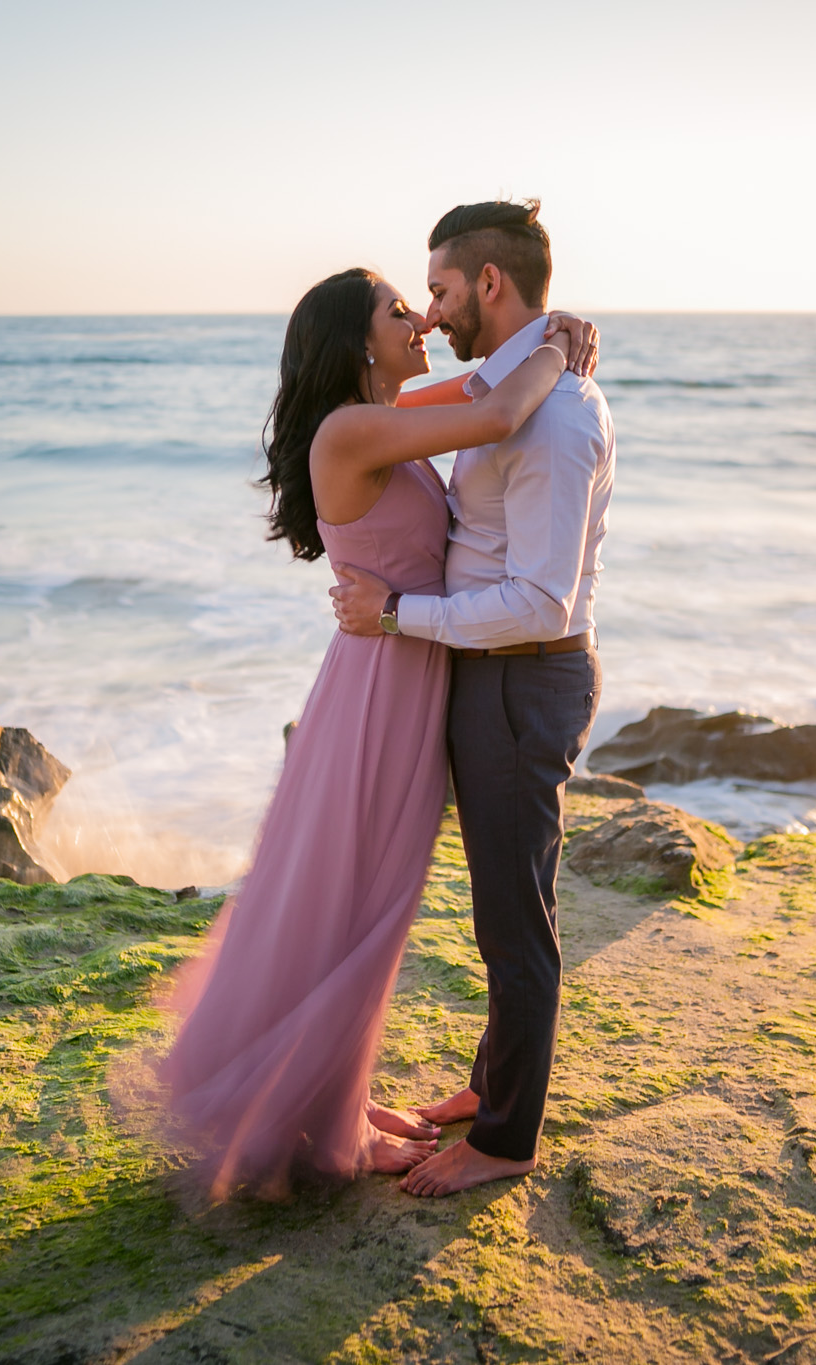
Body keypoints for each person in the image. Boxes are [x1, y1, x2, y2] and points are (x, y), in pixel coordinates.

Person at [156, 259, 599, 1199]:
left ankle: (336, 1099)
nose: (420, 319)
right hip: (378, 687)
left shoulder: (390, 416)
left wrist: (551, 336)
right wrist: (557, 342)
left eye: (423, 300)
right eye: (401, 308)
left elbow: (485, 389)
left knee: (378, 906)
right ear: (359, 340)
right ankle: (326, 1123)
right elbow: (491, 415)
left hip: (413, 671)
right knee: (349, 902)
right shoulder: (355, 429)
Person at [331, 200, 615, 1198]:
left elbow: (540, 599)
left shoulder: (557, 417)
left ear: (487, 284)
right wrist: (557, 333)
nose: (431, 314)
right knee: (505, 904)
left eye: (442, 291)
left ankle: (506, 1139)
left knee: (513, 915)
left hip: (519, 675)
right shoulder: (509, 384)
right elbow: (436, 403)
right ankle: (496, 1087)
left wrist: (398, 613)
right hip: (488, 675)